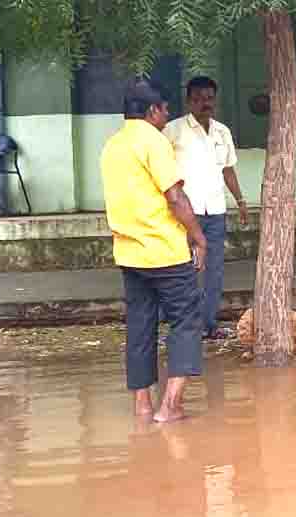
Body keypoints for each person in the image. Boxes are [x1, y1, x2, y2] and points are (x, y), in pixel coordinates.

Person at [101, 79, 207, 423]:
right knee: (186, 322)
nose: (167, 114)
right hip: (165, 251)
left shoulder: (112, 145)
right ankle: (171, 406)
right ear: (152, 111)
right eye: (164, 108)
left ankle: (143, 406)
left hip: (129, 254)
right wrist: (198, 237)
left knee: (140, 327)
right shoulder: (154, 142)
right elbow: (175, 196)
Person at [163, 76, 248, 341]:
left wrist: (241, 201)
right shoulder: (173, 130)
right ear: (189, 101)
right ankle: (182, 328)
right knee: (184, 270)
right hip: (186, 212)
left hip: (215, 211)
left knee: (214, 270)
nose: (205, 104)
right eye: (199, 99)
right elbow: (161, 171)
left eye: (209, 98)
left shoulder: (222, 131)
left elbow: (228, 170)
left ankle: (209, 326)